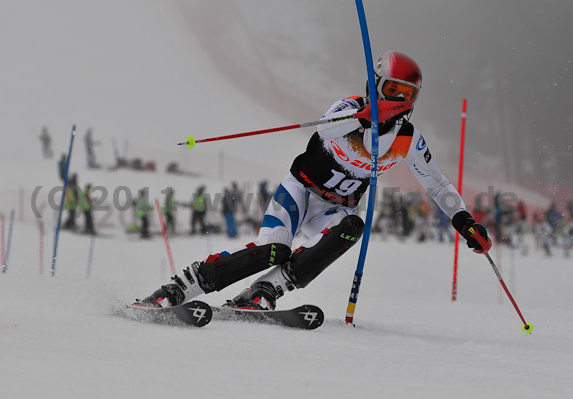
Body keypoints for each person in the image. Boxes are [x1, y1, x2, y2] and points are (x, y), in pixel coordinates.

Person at [133, 51, 492, 310]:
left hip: (335, 209)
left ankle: (265, 291)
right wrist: (364, 117)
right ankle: (182, 286)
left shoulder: (407, 139)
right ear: (376, 84)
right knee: (273, 250)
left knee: (353, 226)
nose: (399, 101)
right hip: (300, 191)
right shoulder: (349, 108)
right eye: (393, 90)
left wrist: (465, 223)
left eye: (408, 95)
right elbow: (326, 126)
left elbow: (437, 184)